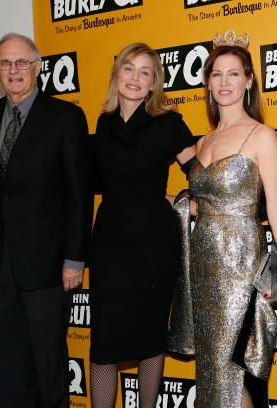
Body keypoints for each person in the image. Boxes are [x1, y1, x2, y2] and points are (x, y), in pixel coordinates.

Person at [0, 33, 92, 408]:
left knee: (49, 363)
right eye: (5, 63)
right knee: (8, 361)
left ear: (37, 67)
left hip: (48, 266)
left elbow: (79, 196)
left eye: (21, 62)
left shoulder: (65, 117)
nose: (13, 70)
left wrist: (74, 259)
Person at [176, 30, 277, 407]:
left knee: (238, 365)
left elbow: (276, 205)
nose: (224, 83)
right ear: (207, 83)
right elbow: (203, 200)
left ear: (249, 81)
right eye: (216, 74)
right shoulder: (204, 142)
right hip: (205, 266)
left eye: (233, 74)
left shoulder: (262, 137)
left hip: (243, 263)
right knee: (212, 366)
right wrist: (180, 204)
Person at [88, 43, 196, 408]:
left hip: (154, 243)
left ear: (154, 83)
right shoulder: (103, 124)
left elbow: (199, 173)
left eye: (145, 72)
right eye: (128, 69)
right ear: (117, 75)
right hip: (110, 241)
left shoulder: (168, 123)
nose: (135, 78)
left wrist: (179, 200)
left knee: (151, 338)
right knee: (103, 343)